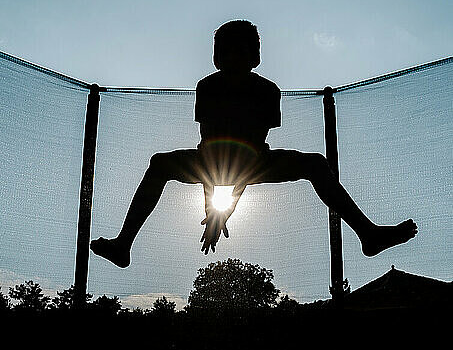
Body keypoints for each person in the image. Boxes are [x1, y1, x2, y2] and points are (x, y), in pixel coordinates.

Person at [90, 20, 417, 267]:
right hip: (211, 162)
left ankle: (368, 234)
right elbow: (209, 149)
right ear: (218, 56)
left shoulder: (267, 91)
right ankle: (123, 244)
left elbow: (248, 154)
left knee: (316, 163)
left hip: (257, 162)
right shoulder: (207, 87)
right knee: (160, 163)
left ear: (254, 56)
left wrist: (225, 211)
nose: (234, 57)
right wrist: (212, 209)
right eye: (228, 50)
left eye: (242, 50)